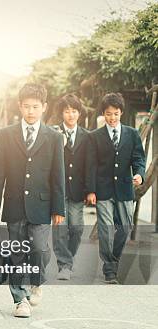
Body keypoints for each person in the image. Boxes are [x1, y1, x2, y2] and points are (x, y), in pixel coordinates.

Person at [0, 83, 65, 318]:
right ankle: (20, 300)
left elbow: (57, 174)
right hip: (14, 202)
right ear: (20, 106)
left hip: (42, 204)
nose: (31, 111)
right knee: (17, 252)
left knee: (39, 249)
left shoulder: (53, 137)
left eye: (36, 107)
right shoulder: (5, 134)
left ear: (44, 108)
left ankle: (37, 282)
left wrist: (58, 207)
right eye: (27, 106)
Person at [86, 93, 146, 284]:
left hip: (125, 188)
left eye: (116, 114)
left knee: (126, 226)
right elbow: (91, 165)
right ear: (104, 114)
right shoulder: (94, 137)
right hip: (102, 190)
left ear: (121, 113)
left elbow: (138, 159)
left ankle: (113, 259)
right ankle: (110, 270)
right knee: (106, 228)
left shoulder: (132, 134)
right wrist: (90, 190)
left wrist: (139, 174)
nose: (112, 118)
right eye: (109, 114)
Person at [51, 94, 93, 281]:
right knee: (60, 228)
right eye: (67, 111)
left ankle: (68, 258)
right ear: (62, 113)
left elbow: (90, 165)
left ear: (79, 113)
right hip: (57, 189)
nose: (70, 115)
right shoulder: (53, 133)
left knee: (76, 228)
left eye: (74, 111)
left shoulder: (87, 136)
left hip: (77, 190)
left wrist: (90, 189)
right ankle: (64, 265)